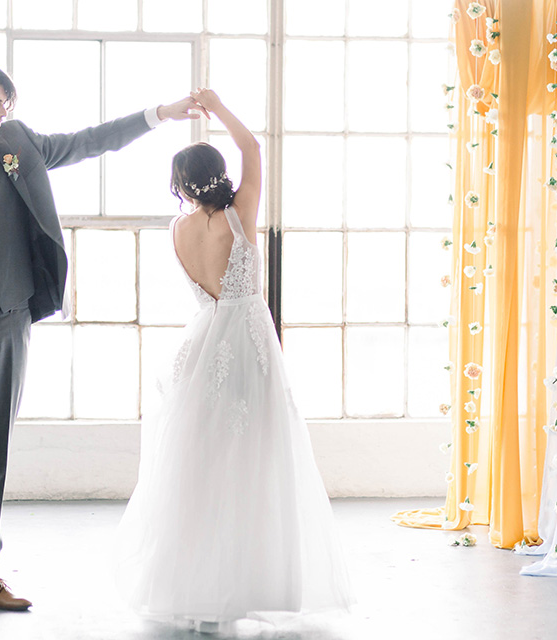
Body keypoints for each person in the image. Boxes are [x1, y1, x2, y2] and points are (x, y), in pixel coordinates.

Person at [0, 61, 204, 621]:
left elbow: (89, 142)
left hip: (13, 315)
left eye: (5, 104)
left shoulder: (18, 143)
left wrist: (159, 114)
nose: (3, 112)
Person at [115, 89, 352, 633]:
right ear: (218, 174)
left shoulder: (178, 229)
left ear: (178, 184)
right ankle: (253, 577)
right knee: (259, 460)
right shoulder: (237, 213)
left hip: (199, 346)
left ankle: (196, 580)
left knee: (200, 465)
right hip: (245, 342)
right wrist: (216, 108)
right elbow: (253, 147)